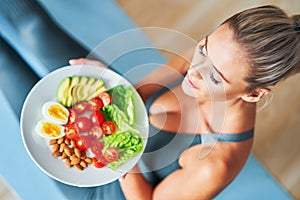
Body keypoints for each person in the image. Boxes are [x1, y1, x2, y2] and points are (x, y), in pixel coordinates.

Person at [69, 5, 300, 200]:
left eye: (214, 77)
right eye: (202, 50)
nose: (194, 70)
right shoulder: (216, 54)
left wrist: (114, 150)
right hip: (108, 129)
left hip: (110, 188)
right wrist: (112, 88)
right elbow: (139, 93)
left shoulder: (215, 165)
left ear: (254, 94)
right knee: (35, 27)